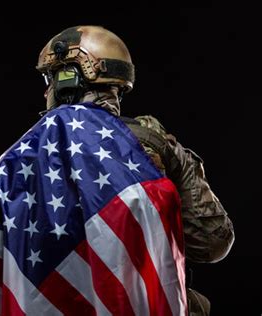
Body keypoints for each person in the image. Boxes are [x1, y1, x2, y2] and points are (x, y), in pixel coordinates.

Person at [36, 25, 235, 315]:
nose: (46, 90)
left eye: (52, 78)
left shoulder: (27, 155)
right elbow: (212, 241)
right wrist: (173, 157)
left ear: (72, 82)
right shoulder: (149, 142)